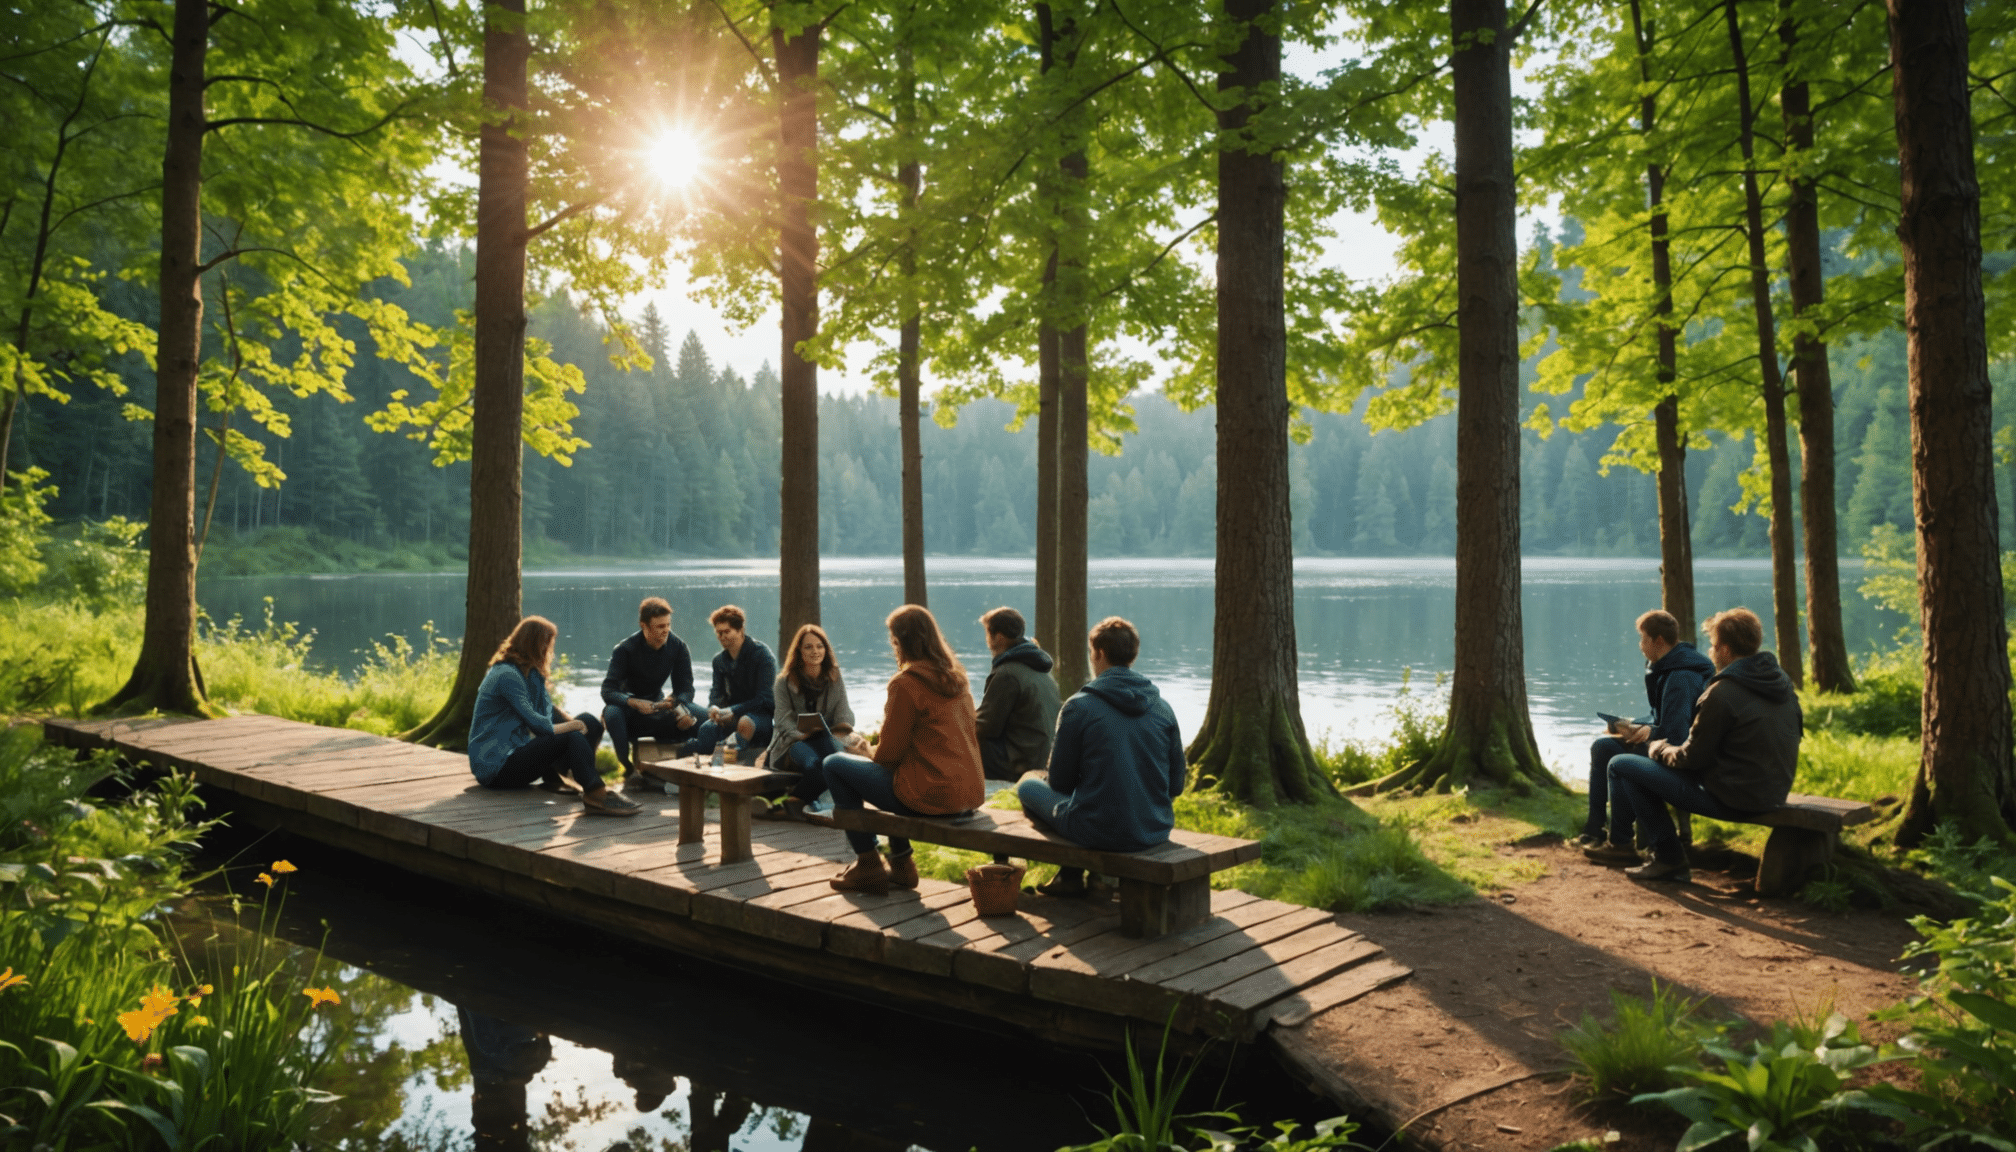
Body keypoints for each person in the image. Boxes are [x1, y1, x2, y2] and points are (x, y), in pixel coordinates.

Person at [1602, 607, 1803, 883]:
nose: (1710, 652)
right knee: (1640, 767)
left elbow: (1691, 758)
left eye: (1712, 646)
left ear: (1725, 650)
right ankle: (1662, 851)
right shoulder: (1781, 684)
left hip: (1736, 798)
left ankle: (1668, 858)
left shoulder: (1723, 692)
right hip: (1774, 791)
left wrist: (1658, 748)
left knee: (1622, 764)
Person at [1016, 616, 1187, 898]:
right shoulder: (1163, 707)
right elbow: (1175, 786)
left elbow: (1060, 783)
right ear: (1133, 655)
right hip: (1154, 829)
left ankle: (1071, 875)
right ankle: (1098, 879)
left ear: (1100, 653)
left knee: (1027, 784)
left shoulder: (1079, 707)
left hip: (1095, 829)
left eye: (1091, 653)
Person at [824, 605, 986, 895]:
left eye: (894, 642)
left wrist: (865, 751)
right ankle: (900, 866)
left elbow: (888, 756)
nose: (893, 648)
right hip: (968, 792)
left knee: (835, 764)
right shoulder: (957, 680)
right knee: (897, 777)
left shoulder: (906, 684)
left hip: (933, 794)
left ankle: (868, 863)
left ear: (901, 643)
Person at [468, 616, 641, 816]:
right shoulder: (507, 675)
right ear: (535, 644)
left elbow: (549, 712)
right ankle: (596, 794)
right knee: (571, 733)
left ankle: (565, 776)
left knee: (589, 722)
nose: (549, 651)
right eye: (547, 645)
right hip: (496, 768)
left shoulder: (527, 673)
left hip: (514, 757)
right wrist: (574, 728)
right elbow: (538, 724)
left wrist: (583, 725)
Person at [1579, 609, 1715, 854]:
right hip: (1666, 746)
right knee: (1603, 746)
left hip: (1679, 757)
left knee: (1617, 759)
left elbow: (1677, 734)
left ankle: (1620, 842)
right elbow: (1661, 717)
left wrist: (1648, 732)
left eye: (1643, 639)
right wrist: (1631, 726)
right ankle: (1595, 830)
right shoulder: (1665, 668)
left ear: (1658, 641)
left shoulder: (1681, 677)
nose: (1641, 646)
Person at [760, 623, 869, 818]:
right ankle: (802, 805)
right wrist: (801, 733)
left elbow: (844, 713)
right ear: (799, 651)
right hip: (794, 741)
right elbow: (782, 720)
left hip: (826, 737)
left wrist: (839, 729)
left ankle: (794, 802)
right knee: (814, 767)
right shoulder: (784, 681)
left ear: (826, 650)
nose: (815, 651)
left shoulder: (834, 676)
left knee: (837, 763)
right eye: (808, 647)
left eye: (819, 646)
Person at [600, 597, 699, 792]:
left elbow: (686, 689)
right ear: (644, 626)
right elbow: (608, 690)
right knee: (611, 712)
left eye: (668, 625)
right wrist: (633, 702)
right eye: (660, 626)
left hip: (659, 709)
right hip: (630, 713)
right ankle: (629, 770)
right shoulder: (624, 649)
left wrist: (679, 706)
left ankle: (684, 771)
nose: (666, 631)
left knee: (701, 718)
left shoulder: (678, 647)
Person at [677, 605, 778, 761]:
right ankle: (698, 759)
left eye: (727, 632)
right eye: (719, 632)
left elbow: (765, 698)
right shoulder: (719, 661)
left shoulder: (762, 655)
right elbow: (716, 693)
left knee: (745, 722)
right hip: (730, 715)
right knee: (706, 727)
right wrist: (714, 708)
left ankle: (725, 757)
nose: (722, 636)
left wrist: (734, 710)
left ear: (740, 630)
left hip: (759, 716)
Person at [975, 607, 1061, 783]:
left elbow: (985, 726)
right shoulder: (1039, 667)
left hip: (1019, 761)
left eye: (987, 633)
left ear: (998, 637)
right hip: (1039, 755)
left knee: (960, 740)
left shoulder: (1008, 673)